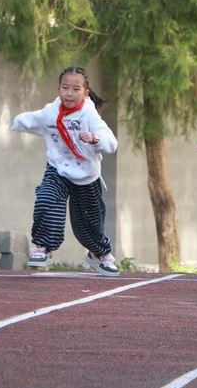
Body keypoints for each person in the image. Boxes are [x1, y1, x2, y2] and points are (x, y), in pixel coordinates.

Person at [12, 66, 119, 276]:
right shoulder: (50, 113)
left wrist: (95, 138)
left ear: (86, 92)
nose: (69, 93)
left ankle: (99, 254)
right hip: (58, 169)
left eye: (76, 89)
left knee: (89, 224)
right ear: (58, 89)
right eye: (65, 88)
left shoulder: (89, 115)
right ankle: (43, 247)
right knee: (46, 198)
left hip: (86, 176)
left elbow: (111, 143)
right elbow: (32, 120)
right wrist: (16, 121)